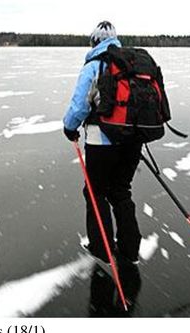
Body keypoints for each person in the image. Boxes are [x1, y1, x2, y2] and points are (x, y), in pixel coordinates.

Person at [62, 21, 144, 266]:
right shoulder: (131, 63)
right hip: (133, 139)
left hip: (102, 142)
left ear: (94, 42)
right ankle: (130, 250)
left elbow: (80, 105)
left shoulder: (94, 65)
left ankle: (102, 249)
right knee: (120, 190)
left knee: (95, 192)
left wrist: (69, 128)